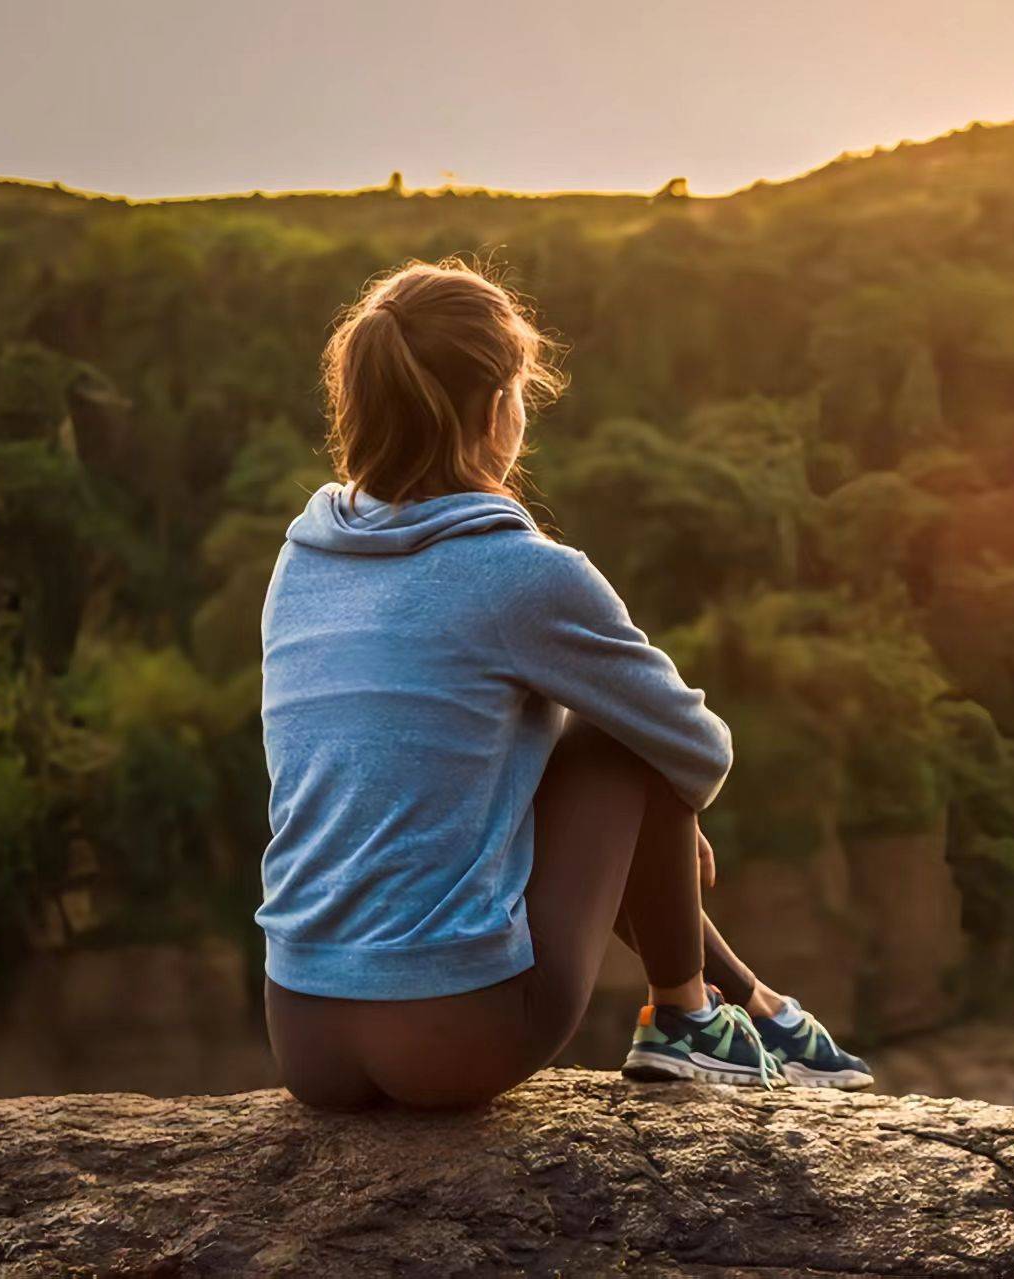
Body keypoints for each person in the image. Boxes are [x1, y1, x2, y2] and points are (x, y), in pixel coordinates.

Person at [255, 258, 870, 1109]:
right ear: (497, 407)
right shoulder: (521, 573)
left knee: (565, 744)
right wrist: (655, 807)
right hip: (457, 1038)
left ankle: (754, 1002)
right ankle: (689, 1018)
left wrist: (639, 832)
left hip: (305, 1035)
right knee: (622, 731)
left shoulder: (302, 556)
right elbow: (695, 743)